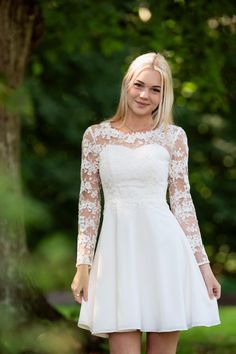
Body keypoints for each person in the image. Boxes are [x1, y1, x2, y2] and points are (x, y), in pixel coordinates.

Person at [71, 52, 221, 354]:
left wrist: (204, 267)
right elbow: (88, 204)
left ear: (164, 96)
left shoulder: (173, 137)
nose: (145, 95)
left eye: (156, 90)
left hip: (166, 253)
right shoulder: (96, 136)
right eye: (139, 85)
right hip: (117, 256)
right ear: (127, 83)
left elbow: (183, 203)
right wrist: (82, 265)